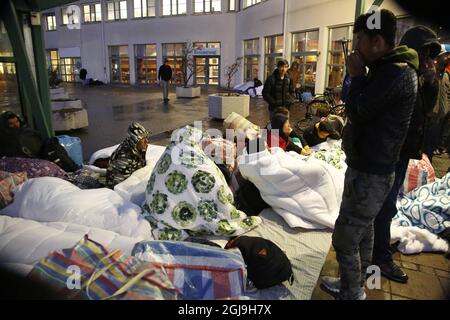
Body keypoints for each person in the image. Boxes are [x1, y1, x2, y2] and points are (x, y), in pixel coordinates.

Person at [320, 9, 419, 300]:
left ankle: (351, 292)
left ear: (377, 42)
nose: (356, 46)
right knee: (363, 230)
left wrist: (354, 76)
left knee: (345, 237)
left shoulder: (395, 73)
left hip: (372, 172)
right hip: (370, 166)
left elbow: (359, 110)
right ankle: (358, 284)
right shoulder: (388, 69)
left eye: (360, 39)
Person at [370, 26, 441, 284]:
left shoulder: (418, 78)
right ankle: (378, 258)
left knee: (385, 206)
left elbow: (427, 113)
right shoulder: (399, 74)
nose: (430, 60)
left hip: (400, 155)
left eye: (433, 55)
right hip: (387, 155)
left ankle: (375, 253)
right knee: (384, 206)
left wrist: (432, 82)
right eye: (427, 53)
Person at [0, 111, 79, 172]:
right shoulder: (8, 138)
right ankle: (72, 168)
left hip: (39, 160)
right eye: (11, 124)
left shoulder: (26, 132)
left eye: (17, 121)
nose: (16, 125)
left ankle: (71, 168)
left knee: (53, 146)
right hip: (31, 164)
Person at [105, 122, 151, 188]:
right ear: (135, 140)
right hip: (117, 188)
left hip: (133, 179)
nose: (147, 141)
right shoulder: (124, 157)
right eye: (143, 139)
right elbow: (118, 186)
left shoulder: (139, 147)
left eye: (146, 137)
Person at [424, 44, 449, 158]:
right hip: (430, 120)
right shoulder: (430, 73)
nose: (447, 58)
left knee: (430, 151)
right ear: (438, 57)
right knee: (426, 150)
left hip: (440, 120)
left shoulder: (445, 75)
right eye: (445, 55)